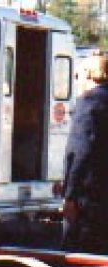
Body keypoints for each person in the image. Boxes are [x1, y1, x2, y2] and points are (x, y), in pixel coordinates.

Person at [62, 50, 108, 254]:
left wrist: (70, 196)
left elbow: (79, 152)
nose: (77, 80)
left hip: (89, 198)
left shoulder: (88, 104)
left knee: (78, 256)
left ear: (89, 74)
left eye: (77, 75)